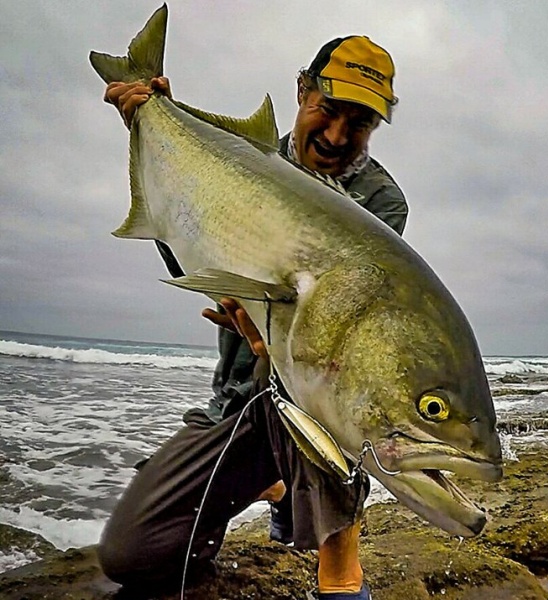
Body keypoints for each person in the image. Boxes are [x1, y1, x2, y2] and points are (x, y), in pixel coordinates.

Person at [97, 36, 407, 600]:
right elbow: (184, 252)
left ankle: (342, 577)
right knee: (129, 554)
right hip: (237, 398)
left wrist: (280, 342)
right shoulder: (240, 157)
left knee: (327, 412)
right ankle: (264, 491)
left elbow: (354, 334)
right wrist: (150, 130)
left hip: (315, 401)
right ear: (301, 90)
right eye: (328, 110)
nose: (337, 137)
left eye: (359, 123)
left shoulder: (382, 203)